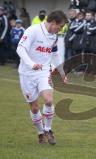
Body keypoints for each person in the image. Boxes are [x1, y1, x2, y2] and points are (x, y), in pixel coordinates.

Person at [17, 10, 68, 144]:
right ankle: (40, 133)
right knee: (34, 107)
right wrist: (32, 64)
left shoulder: (54, 37)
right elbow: (20, 49)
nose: (61, 29)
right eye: (60, 26)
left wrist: (62, 73)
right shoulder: (33, 31)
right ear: (53, 22)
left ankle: (48, 129)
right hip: (27, 73)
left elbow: (55, 55)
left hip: (44, 72)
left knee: (49, 100)